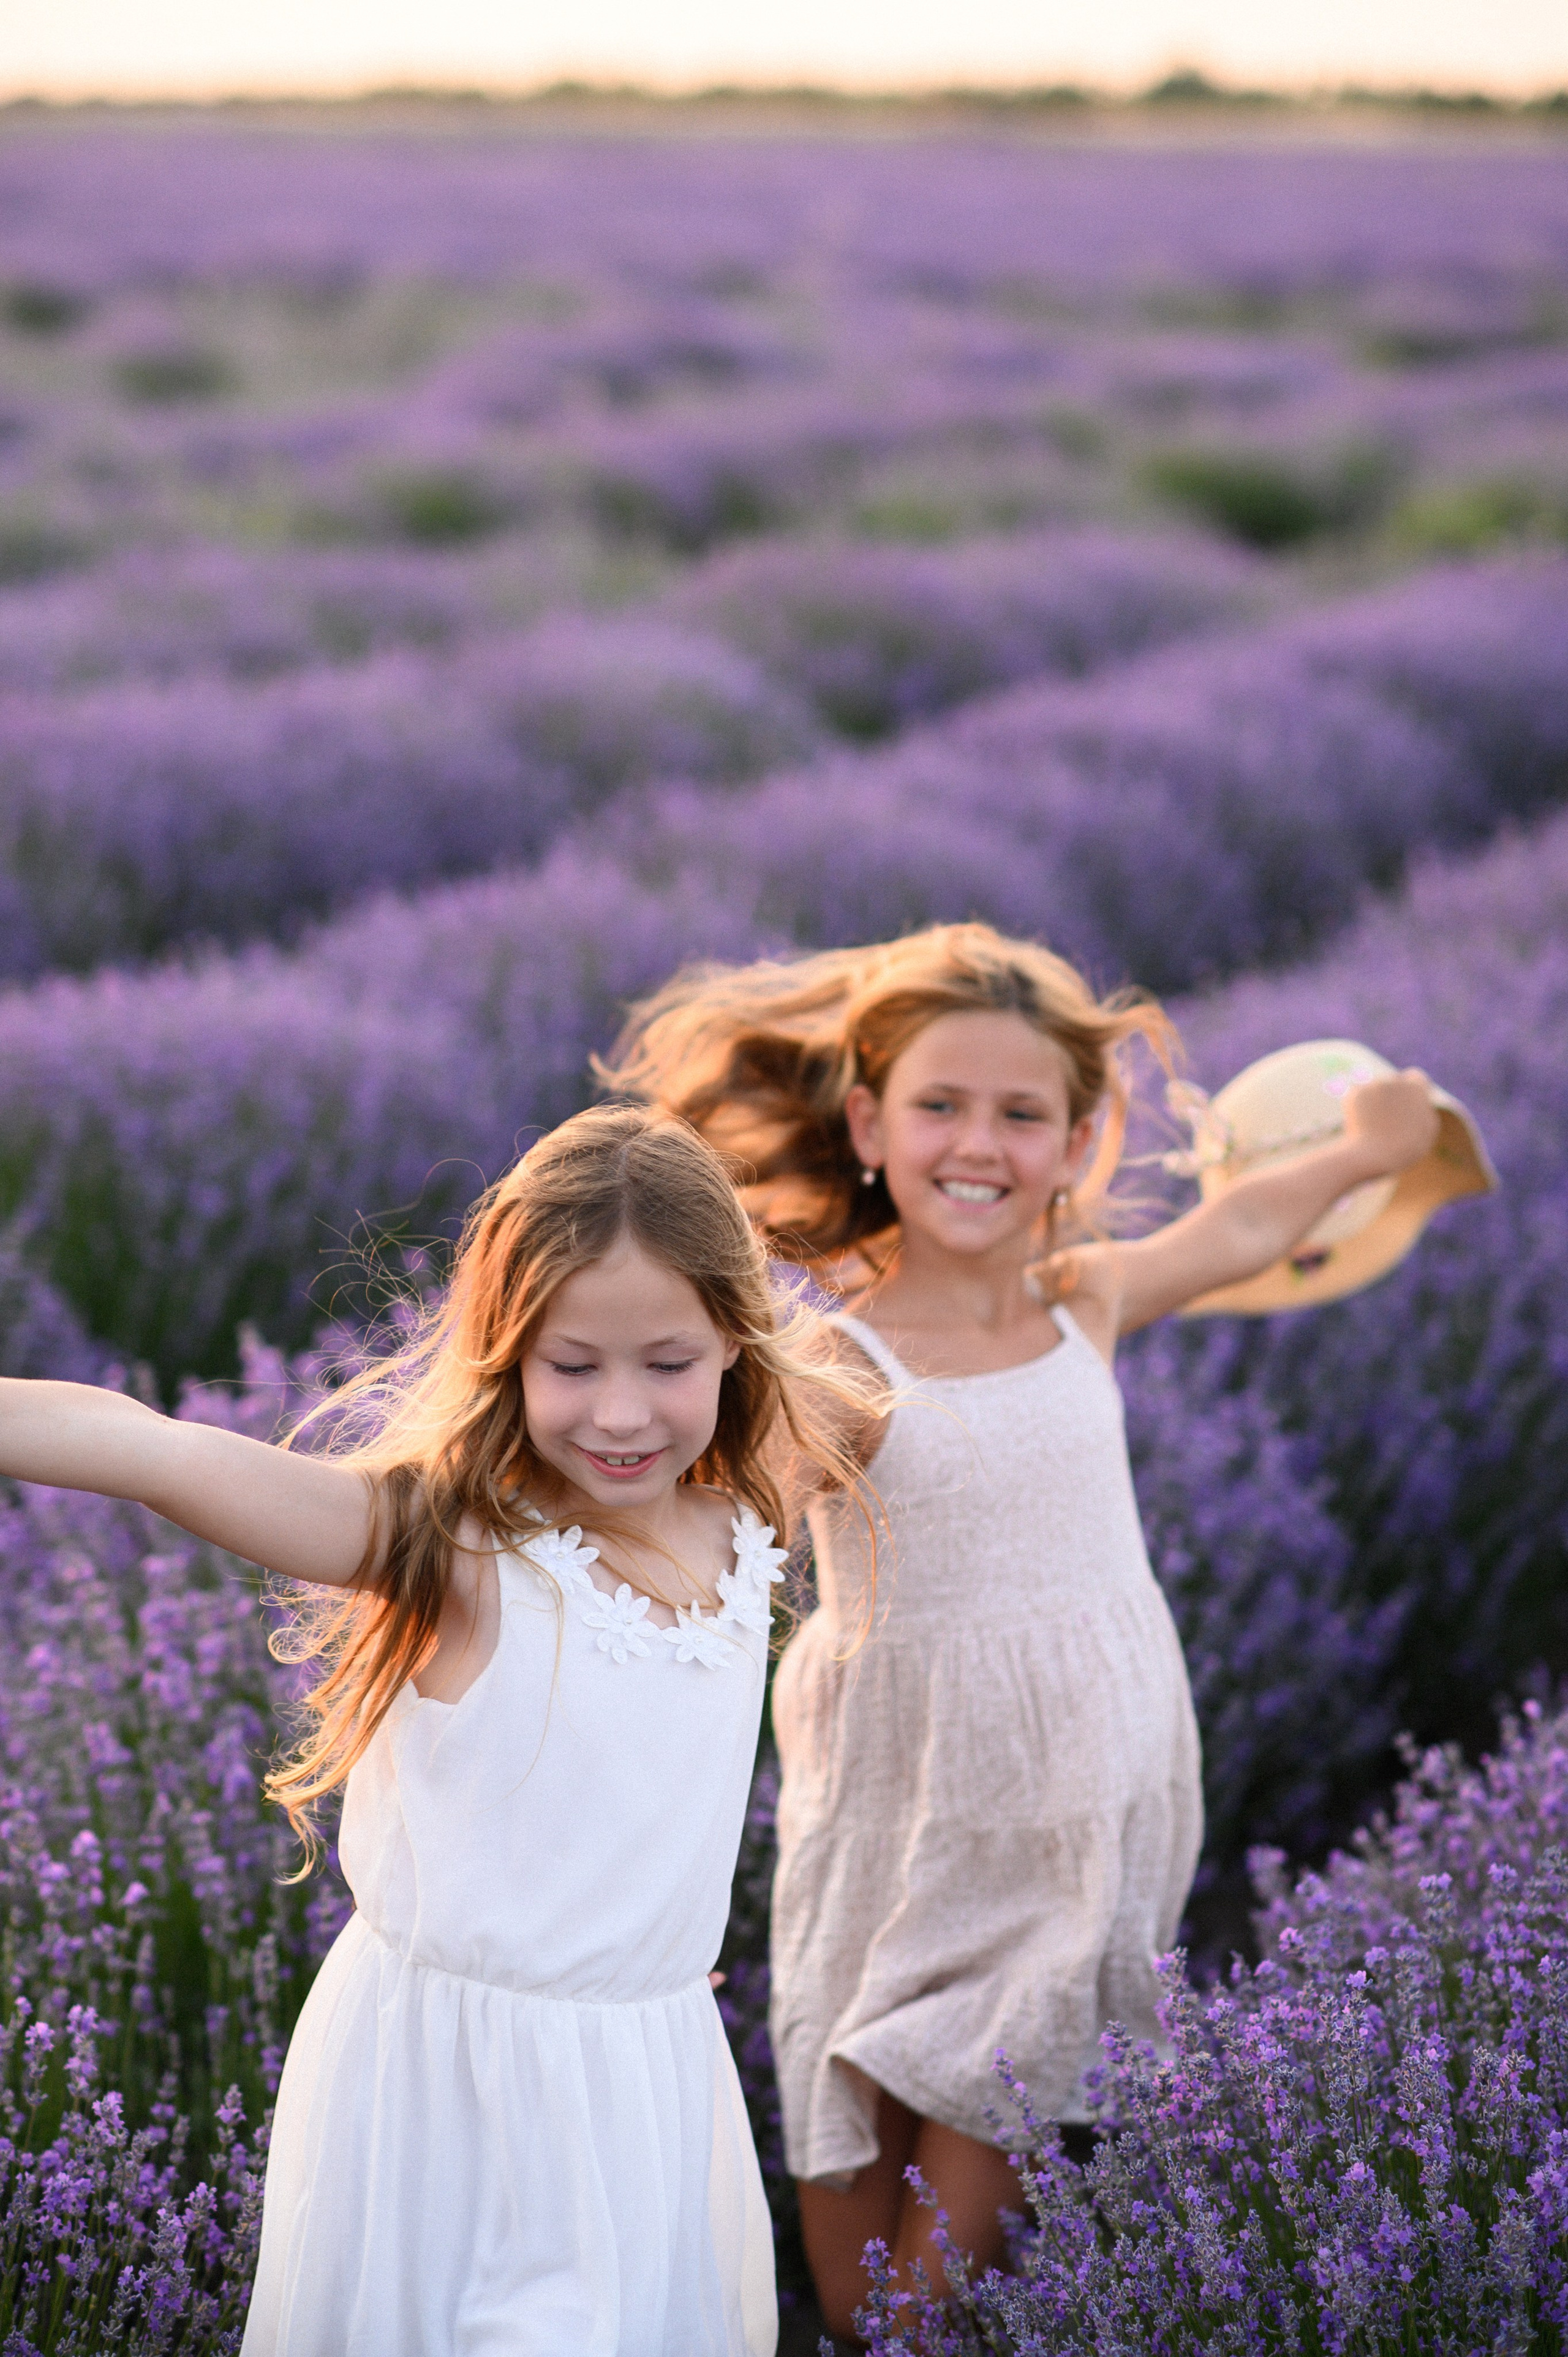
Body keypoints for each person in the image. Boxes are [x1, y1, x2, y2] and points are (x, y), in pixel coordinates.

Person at [602, 922, 1442, 2342]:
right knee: (851, 2245)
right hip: (891, 1815)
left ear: (1076, 1138)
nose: (975, 1143)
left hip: (1078, 1823)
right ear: (866, 1121)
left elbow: (1240, 1226)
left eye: (1019, 1113)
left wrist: (1367, 1147)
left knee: (932, 2290)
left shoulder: (1080, 1300)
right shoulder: (833, 1367)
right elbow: (701, 1538)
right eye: (937, 1105)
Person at [0, 1104, 876, 2357]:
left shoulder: (743, 1509)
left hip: (646, 2081)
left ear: (737, 1345)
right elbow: (158, 1450)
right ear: (503, 1351)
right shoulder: (458, 1546)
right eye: (572, 1364)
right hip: (450, 2090)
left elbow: (865, 1389)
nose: (621, 1413)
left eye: (667, 1361)